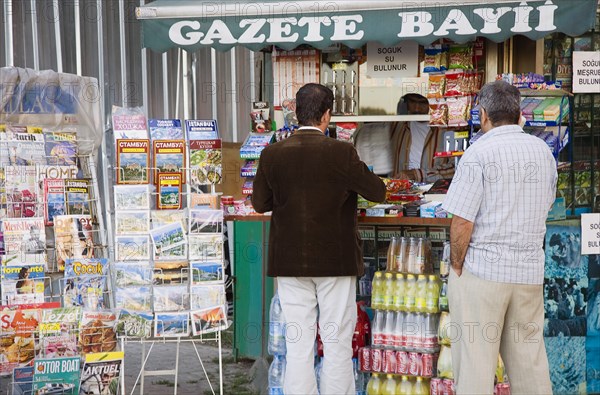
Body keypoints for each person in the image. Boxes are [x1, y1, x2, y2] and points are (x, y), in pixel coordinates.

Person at [252, 83, 386, 395]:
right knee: (336, 343)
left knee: (298, 345)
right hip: (335, 262)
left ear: (296, 114)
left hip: (289, 262)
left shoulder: (272, 153)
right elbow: (377, 192)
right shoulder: (341, 152)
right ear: (327, 115)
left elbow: (260, 203)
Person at [442, 80, 556, 395]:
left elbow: (462, 221)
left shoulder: (478, 153)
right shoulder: (542, 152)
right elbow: (546, 205)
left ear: (483, 115)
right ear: (519, 112)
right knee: (530, 365)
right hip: (528, 273)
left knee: (475, 368)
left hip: (483, 274)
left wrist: (457, 266)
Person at [391, 93, 454, 182]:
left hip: (433, 192)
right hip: (400, 191)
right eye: (412, 102)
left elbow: (456, 168)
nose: (417, 108)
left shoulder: (447, 131)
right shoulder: (397, 126)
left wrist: (418, 174)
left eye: (423, 103)